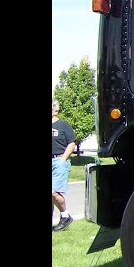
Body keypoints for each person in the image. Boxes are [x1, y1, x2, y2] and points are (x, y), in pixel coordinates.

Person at [52, 98, 78, 231]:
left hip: (59, 161)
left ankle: (65, 216)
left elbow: (72, 142)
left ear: (55, 110)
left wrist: (63, 158)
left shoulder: (63, 125)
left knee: (53, 192)